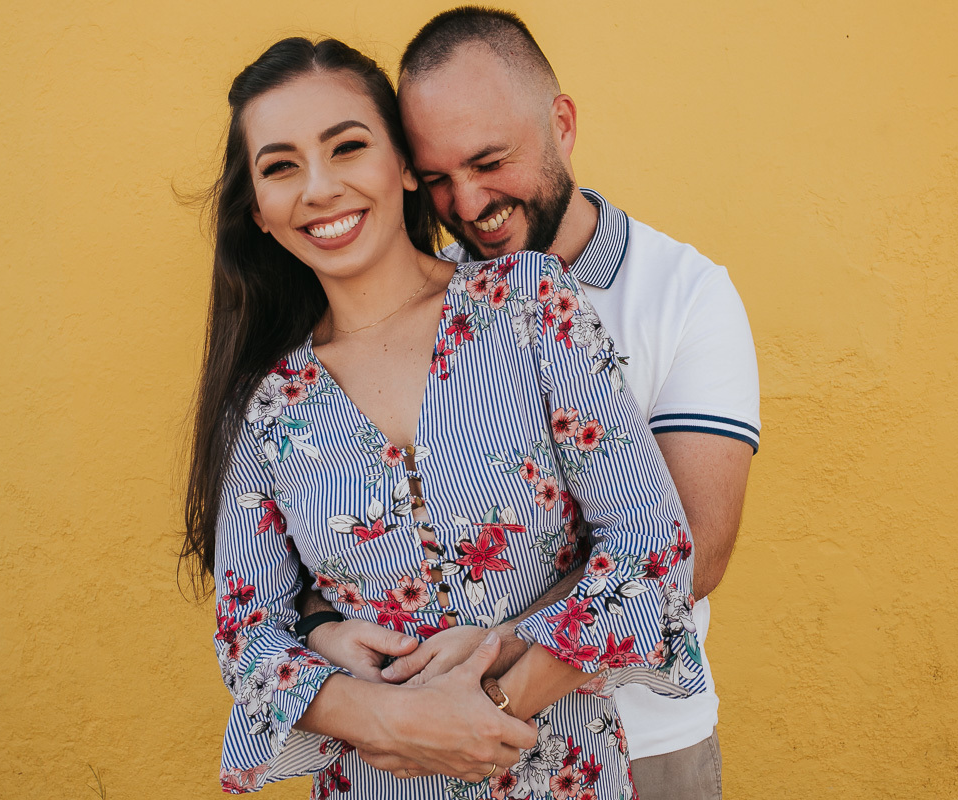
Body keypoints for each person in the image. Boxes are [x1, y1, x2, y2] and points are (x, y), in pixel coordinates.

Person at [182, 36, 709, 797]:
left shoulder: (532, 308)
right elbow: (247, 635)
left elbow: (654, 551)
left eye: (347, 147)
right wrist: (383, 718)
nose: (320, 188)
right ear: (258, 212)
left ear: (404, 166)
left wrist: (499, 695)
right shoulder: (264, 407)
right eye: (280, 167)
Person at [295, 9, 761, 800]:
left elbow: (694, 553)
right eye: (437, 178)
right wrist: (329, 632)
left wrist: (489, 664)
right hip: (430, 762)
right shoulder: (416, 306)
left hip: (643, 741)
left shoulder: (685, 294)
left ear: (562, 125)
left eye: (489, 162)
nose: (467, 202)